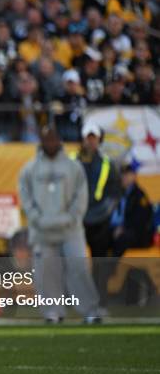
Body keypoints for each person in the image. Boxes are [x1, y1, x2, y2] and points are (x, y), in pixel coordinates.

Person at [18, 126, 101, 324]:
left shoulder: (73, 167)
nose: (51, 143)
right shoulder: (29, 169)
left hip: (70, 229)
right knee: (46, 272)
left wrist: (72, 217)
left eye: (54, 139)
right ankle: (52, 313)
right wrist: (36, 218)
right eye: (47, 139)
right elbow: (25, 196)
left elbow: (81, 196)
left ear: (60, 141)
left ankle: (90, 311)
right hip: (42, 230)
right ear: (41, 141)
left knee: (78, 267)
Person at [72, 123, 120, 309]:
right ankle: (74, 299)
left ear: (100, 140)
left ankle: (100, 299)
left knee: (100, 261)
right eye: (88, 138)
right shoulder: (72, 161)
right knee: (74, 261)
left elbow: (114, 192)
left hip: (100, 220)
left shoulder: (108, 163)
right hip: (77, 219)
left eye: (94, 138)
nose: (91, 142)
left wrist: (105, 212)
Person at [110, 162, 154, 257]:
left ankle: (109, 268)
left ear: (134, 176)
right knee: (99, 237)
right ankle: (96, 267)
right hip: (116, 228)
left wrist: (123, 228)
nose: (124, 177)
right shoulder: (116, 192)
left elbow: (141, 220)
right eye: (122, 174)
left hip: (136, 233)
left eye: (127, 174)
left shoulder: (140, 196)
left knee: (122, 239)